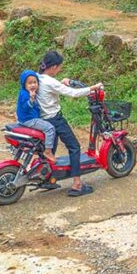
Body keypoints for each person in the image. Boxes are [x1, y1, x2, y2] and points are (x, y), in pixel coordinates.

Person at [34, 50, 102, 197]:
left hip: (43, 120)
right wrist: (93, 88)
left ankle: (48, 179)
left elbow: (50, 88)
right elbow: (73, 93)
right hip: (55, 120)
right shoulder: (50, 81)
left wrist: (60, 83)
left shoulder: (38, 77)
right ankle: (77, 184)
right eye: (59, 67)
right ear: (53, 67)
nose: (60, 70)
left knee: (51, 148)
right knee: (74, 147)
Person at [15, 71, 60, 190]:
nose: (33, 85)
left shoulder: (26, 92)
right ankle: (48, 151)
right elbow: (26, 106)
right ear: (24, 84)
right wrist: (31, 99)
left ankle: (38, 151)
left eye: (35, 82)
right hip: (29, 120)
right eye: (30, 83)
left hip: (25, 119)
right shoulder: (26, 95)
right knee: (50, 128)